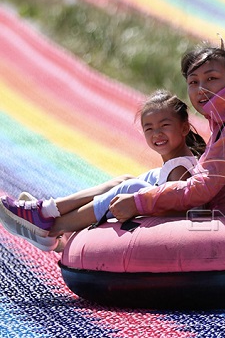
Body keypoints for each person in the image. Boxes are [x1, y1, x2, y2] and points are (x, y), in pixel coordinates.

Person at [0, 90, 205, 251]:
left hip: (170, 230)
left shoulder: (181, 170)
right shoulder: (177, 164)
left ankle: (51, 227)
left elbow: (175, 210)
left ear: (184, 128)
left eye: (164, 125)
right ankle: (46, 212)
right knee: (125, 180)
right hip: (157, 212)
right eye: (149, 128)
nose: (157, 133)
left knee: (131, 186)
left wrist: (135, 203)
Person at [108, 45, 225, 222]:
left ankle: (74, 225)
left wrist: (139, 202)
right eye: (194, 82)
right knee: (129, 183)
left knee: (133, 188)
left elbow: (201, 189)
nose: (202, 89)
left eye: (211, 78)